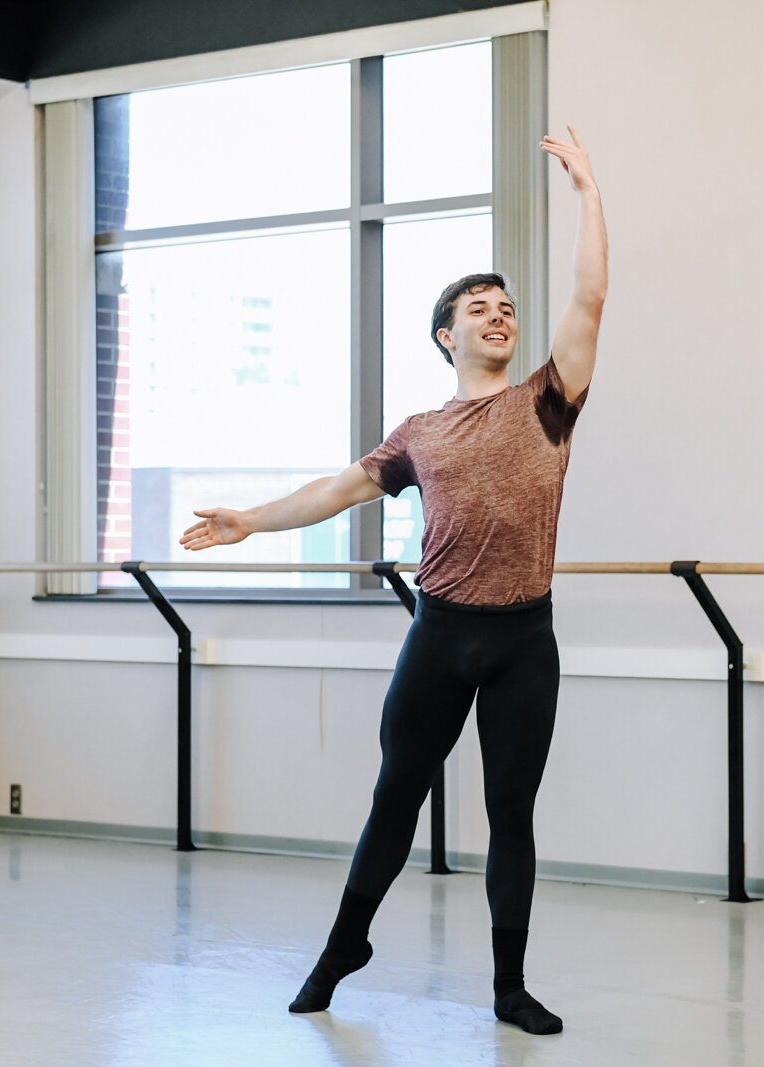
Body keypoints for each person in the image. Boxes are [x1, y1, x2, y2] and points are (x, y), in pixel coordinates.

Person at [179, 126, 606, 1035]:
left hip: (525, 639)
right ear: (446, 335)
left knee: (511, 815)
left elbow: (592, 295)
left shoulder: (548, 398)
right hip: (441, 636)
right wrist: (249, 519)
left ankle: (508, 985)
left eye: (506, 306)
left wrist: (588, 193)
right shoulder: (419, 430)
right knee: (394, 798)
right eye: (479, 308)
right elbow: (337, 490)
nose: (500, 315)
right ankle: (343, 947)